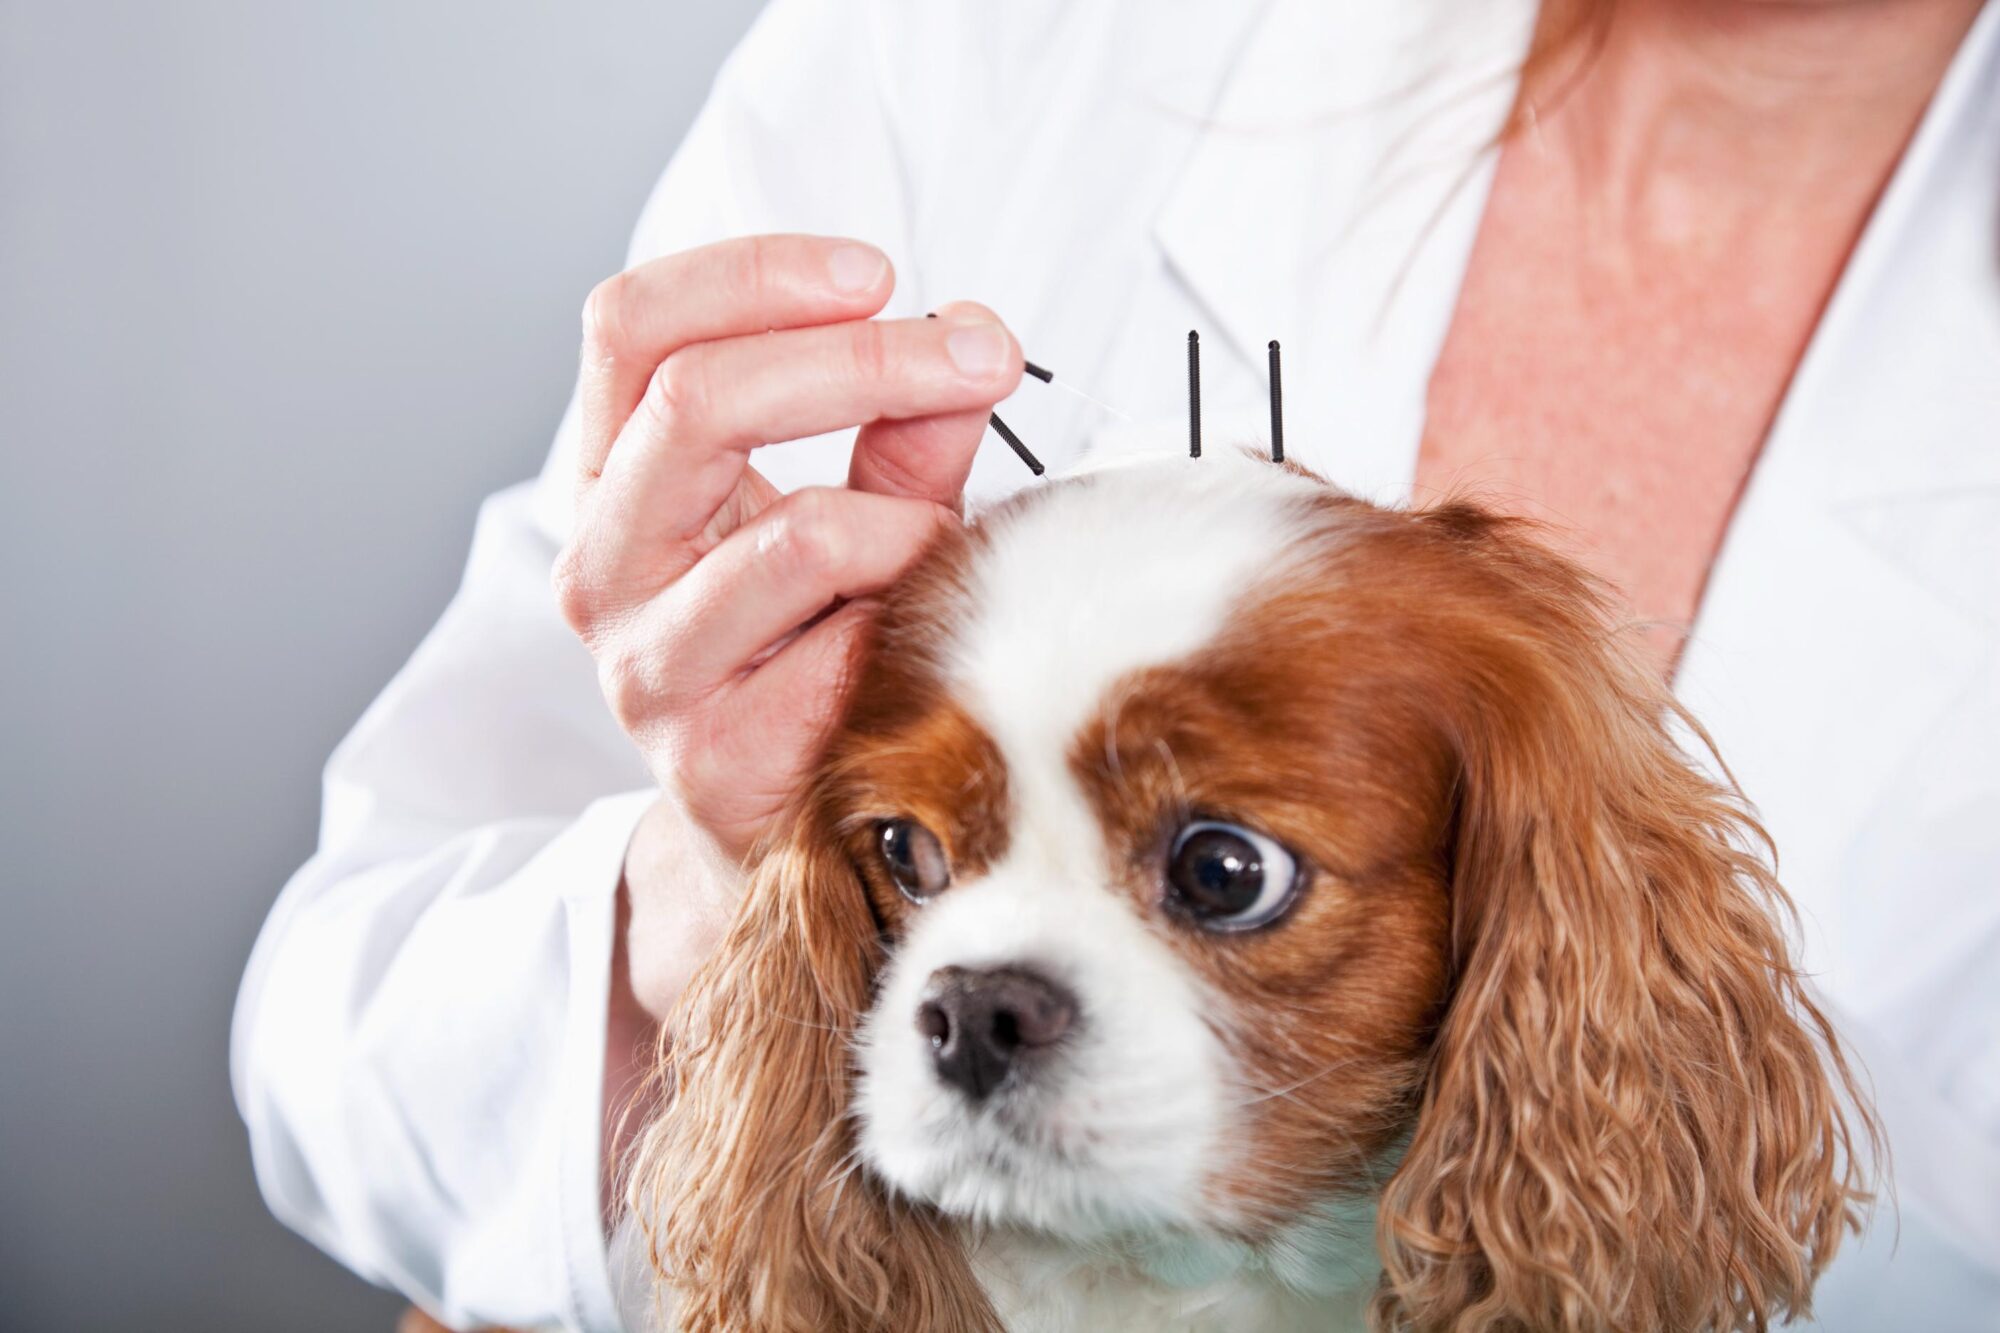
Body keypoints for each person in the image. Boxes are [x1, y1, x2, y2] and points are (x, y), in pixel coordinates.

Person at [231, 1, 2000, 1329]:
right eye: (916, 868)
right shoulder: (999, 45)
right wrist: (731, 874)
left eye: (1222, 872)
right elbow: (339, 1040)